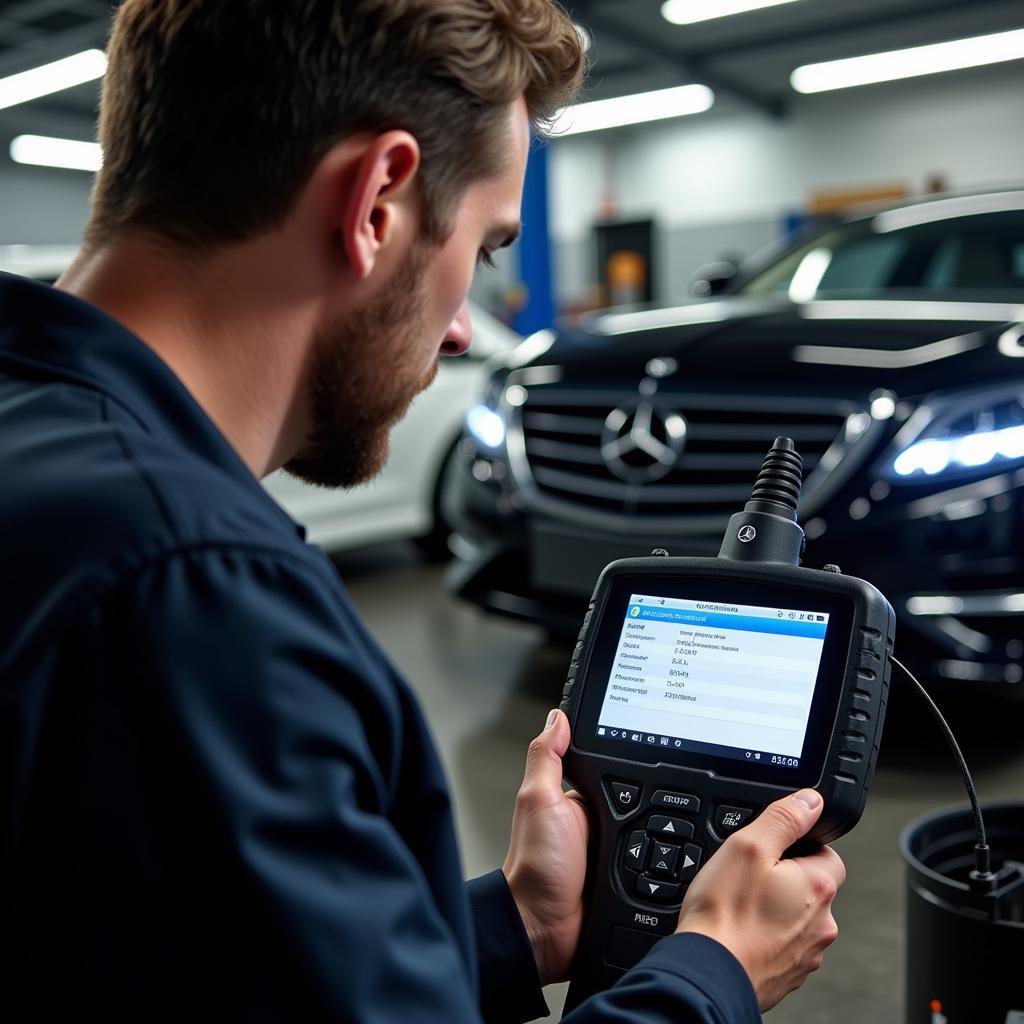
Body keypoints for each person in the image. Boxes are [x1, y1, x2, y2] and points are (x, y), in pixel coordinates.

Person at [0, 1, 845, 1020]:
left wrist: (521, 928)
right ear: (377, 200)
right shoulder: (195, 591)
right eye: (484, 251)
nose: (458, 332)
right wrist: (710, 974)